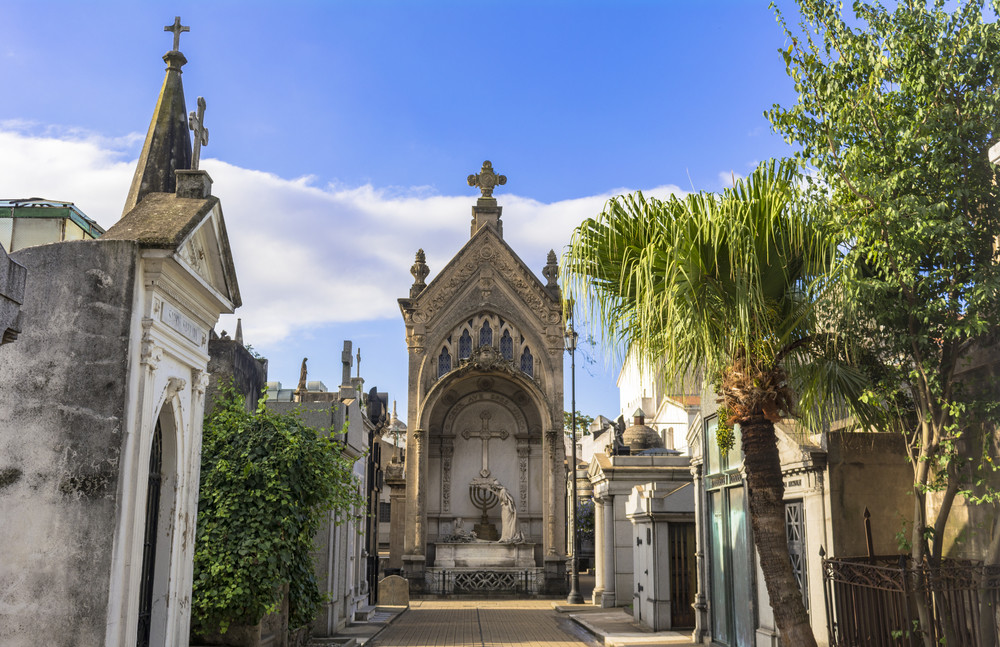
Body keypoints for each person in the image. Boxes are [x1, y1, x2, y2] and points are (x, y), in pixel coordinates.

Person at [489, 480, 524, 544]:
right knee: (505, 523)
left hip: (506, 508)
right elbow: (500, 495)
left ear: (497, 486)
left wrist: (493, 491)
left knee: (506, 523)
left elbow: (505, 500)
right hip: (505, 508)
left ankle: (507, 537)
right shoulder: (502, 490)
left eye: (495, 487)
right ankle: (505, 537)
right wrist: (492, 491)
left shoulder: (503, 491)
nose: (495, 488)